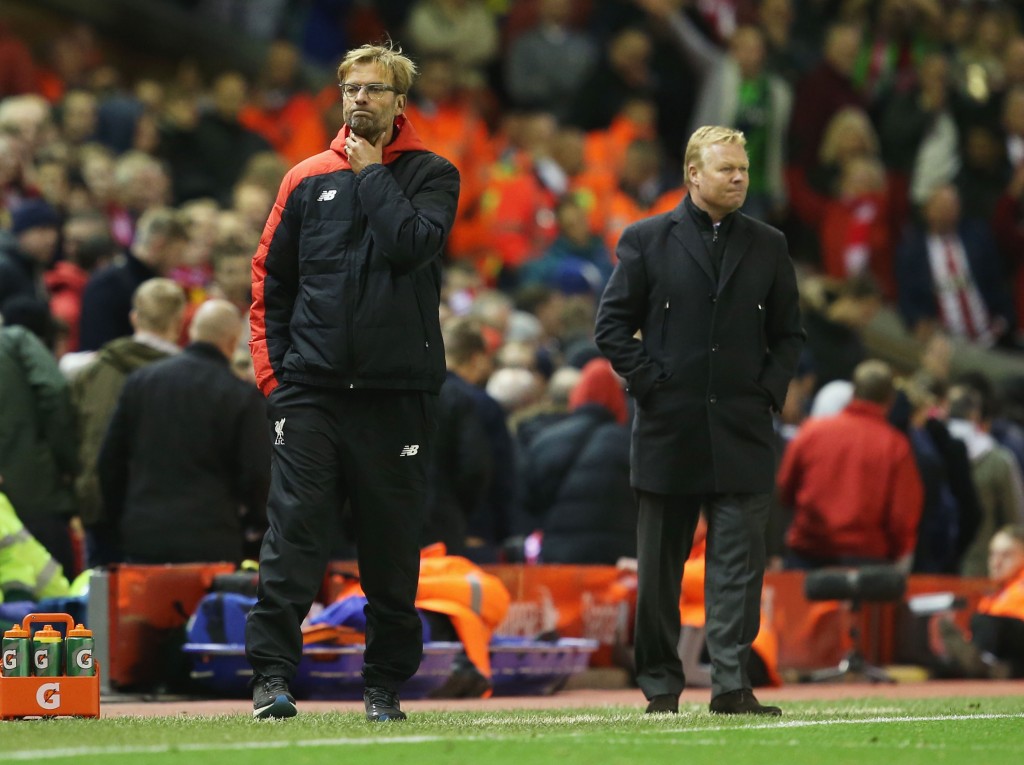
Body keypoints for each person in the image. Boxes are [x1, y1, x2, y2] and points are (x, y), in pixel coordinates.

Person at [244, 41, 460, 723]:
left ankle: (383, 688)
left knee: (391, 550)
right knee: (292, 538)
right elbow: (268, 284)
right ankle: (272, 679)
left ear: (401, 102)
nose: (359, 99)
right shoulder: (303, 177)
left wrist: (370, 176)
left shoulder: (434, 174)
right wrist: (274, 379)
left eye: (373, 89)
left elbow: (412, 244)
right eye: (350, 88)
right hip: (310, 391)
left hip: (398, 395)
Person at [594, 125, 804, 716]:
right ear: (693, 175)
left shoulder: (769, 244)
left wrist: (769, 390)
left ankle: (732, 686)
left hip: (743, 429)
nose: (739, 177)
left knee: (738, 571)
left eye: (742, 168)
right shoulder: (644, 239)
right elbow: (610, 326)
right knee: (660, 575)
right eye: (726, 169)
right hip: (668, 427)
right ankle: (662, 689)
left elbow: (790, 334)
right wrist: (650, 384)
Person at [97, 299, 269, 565]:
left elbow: (109, 461)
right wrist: (252, 524)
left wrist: (123, 517)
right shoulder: (240, 396)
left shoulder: (141, 382)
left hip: (144, 535)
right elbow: (258, 475)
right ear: (233, 341)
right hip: (212, 540)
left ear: (190, 332)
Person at [71, 277, 186, 567]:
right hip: (159, 514)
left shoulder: (96, 369)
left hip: (98, 508)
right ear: (178, 321)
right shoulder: (186, 380)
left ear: (134, 317)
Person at [777, 359, 925, 569]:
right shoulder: (896, 447)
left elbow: (785, 488)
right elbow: (902, 518)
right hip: (865, 564)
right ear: (890, 400)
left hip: (806, 555)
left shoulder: (811, 431)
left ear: (853, 391)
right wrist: (894, 554)